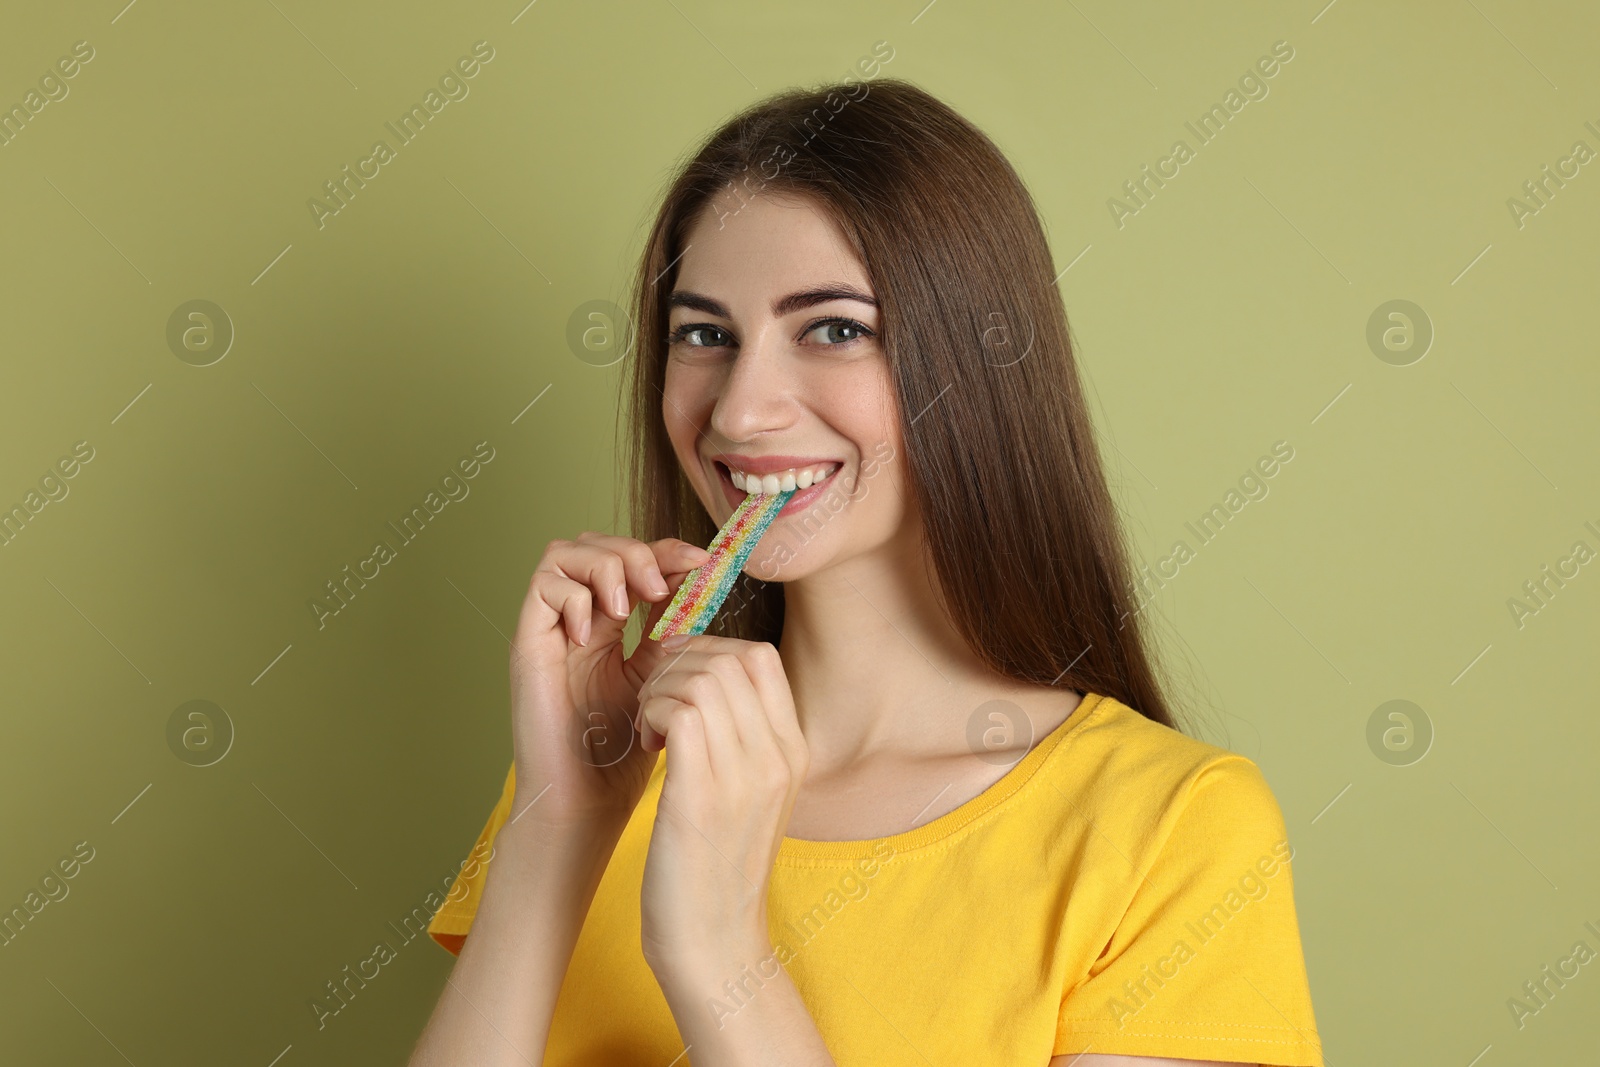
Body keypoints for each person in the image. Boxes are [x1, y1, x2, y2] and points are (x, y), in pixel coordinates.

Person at [407, 78, 1324, 1067]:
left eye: (833, 328)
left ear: (972, 363)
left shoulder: (1171, 830)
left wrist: (719, 953)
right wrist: (564, 822)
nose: (741, 409)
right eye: (704, 334)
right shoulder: (598, 772)